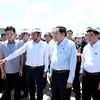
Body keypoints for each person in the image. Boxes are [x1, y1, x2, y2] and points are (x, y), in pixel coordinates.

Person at [0, 28, 49, 100]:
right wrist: (6, 59)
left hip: (39, 69)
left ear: (39, 35)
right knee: (31, 87)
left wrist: (45, 70)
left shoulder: (44, 45)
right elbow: (18, 52)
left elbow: (46, 59)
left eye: (34, 34)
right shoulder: (28, 44)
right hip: (29, 69)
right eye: (31, 34)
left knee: (39, 87)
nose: (32, 36)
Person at [49, 26, 76, 100]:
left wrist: (70, 80)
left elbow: (73, 64)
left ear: (63, 34)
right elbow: (53, 60)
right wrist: (51, 73)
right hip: (55, 75)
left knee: (64, 97)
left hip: (64, 76)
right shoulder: (55, 44)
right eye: (53, 33)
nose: (54, 35)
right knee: (55, 96)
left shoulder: (70, 45)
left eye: (56, 33)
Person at [0, 26, 23, 100]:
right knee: (7, 91)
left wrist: (21, 69)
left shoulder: (19, 44)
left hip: (17, 71)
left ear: (15, 34)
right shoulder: (2, 45)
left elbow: (22, 57)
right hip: (7, 72)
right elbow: (1, 59)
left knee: (17, 91)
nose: (9, 35)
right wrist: (2, 71)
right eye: (7, 34)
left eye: (11, 34)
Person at [79, 27, 100, 100]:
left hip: (97, 77)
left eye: (91, 35)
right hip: (86, 76)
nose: (88, 37)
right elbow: (83, 61)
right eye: (87, 35)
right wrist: (81, 73)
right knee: (85, 96)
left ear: (98, 36)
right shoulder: (86, 47)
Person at [73, 33, 87, 100]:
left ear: (82, 38)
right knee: (76, 84)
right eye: (76, 38)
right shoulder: (73, 46)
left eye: (79, 38)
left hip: (84, 68)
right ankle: (77, 97)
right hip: (75, 67)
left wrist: (80, 55)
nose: (78, 40)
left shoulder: (86, 46)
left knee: (84, 86)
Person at [19, 28, 30, 99]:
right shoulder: (19, 43)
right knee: (22, 79)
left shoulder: (31, 43)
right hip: (21, 65)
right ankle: (25, 91)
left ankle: (28, 91)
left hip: (29, 65)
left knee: (28, 79)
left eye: (22, 34)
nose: (21, 35)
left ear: (26, 34)